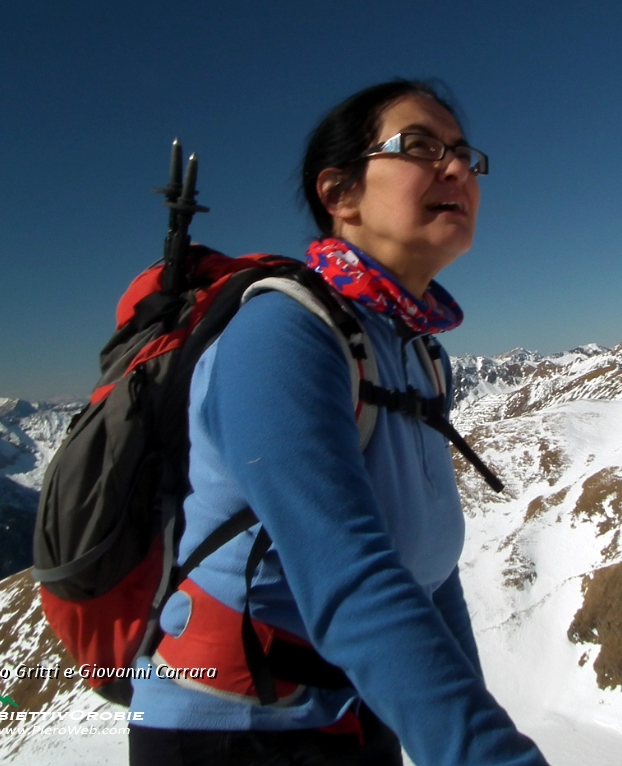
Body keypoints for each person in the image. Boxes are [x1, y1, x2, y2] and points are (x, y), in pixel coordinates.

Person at [127, 80, 549, 766]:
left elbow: (429, 574)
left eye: (465, 154)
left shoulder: (416, 349)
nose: (457, 168)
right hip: (231, 729)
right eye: (420, 146)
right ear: (340, 195)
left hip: (350, 711)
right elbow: (348, 575)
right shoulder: (284, 333)